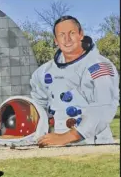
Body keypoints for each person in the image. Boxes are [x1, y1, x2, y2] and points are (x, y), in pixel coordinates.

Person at [30, 15, 119, 147]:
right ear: (55, 40)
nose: (67, 39)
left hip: (94, 144)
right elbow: (37, 106)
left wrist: (68, 136)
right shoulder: (44, 72)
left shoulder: (100, 66)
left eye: (72, 33)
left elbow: (103, 108)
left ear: (81, 34)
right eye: (61, 35)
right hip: (55, 143)